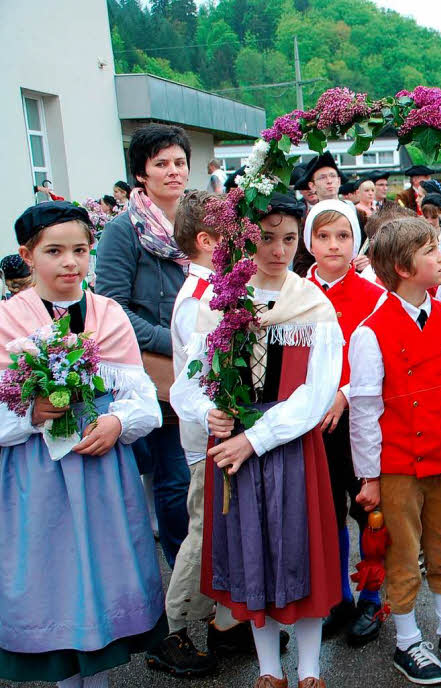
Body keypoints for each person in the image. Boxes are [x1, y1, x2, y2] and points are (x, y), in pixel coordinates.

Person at [171, 192, 344, 688]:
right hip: (234, 450)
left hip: (289, 447)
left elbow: (317, 393)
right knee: (254, 555)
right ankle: (269, 671)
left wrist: (256, 439)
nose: (278, 250)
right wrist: (210, 412)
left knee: (299, 553)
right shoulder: (222, 302)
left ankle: (309, 671)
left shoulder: (311, 303)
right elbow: (186, 383)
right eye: (266, 238)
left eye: (289, 239)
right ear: (246, 238)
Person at [0, 202, 165, 688]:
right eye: (55, 251)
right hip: (37, 479)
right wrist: (29, 414)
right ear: (28, 256)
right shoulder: (8, 321)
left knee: (103, 582)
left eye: (80, 250)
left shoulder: (108, 315)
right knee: (53, 583)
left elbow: (144, 403)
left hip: (100, 474)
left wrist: (116, 421)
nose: (71, 262)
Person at [348, 216, 441, 685]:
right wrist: (368, 476)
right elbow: (365, 410)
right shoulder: (372, 331)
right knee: (404, 553)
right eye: (431, 250)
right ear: (402, 267)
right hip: (396, 466)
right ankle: (408, 640)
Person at [95, 123, 191, 567]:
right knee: (171, 480)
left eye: (179, 162)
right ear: (141, 173)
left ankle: (204, 567)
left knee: (195, 478)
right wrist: (173, 341)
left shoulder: (202, 222)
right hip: (153, 368)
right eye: (161, 164)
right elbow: (112, 309)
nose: (173, 172)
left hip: (200, 365)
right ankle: (180, 581)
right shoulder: (124, 230)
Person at [302, 199, 388, 646]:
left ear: (356, 240)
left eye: (342, 235)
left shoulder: (374, 295)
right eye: (322, 236)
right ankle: (335, 596)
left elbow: (379, 358)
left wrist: (345, 392)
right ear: (308, 241)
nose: (333, 245)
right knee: (325, 512)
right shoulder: (295, 293)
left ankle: (372, 596)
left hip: (361, 425)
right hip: (310, 427)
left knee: (369, 511)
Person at [145, 191, 220, 677]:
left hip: (214, 435)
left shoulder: (209, 289)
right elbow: (194, 380)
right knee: (201, 533)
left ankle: (223, 621)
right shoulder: (200, 299)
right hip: (206, 437)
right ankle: (170, 632)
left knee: (215, 528)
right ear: (206, 240)